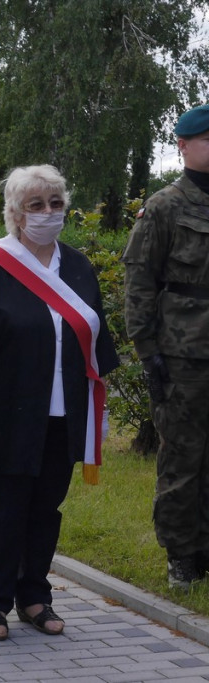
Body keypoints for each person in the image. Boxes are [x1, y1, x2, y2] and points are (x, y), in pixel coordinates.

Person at [0, 164, 118, 641]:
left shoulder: (79, 267)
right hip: (4, 415)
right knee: (2, 511)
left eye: (55, 203)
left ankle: (34, 597)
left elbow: (94, 347)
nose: (48, 213)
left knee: (46, 508)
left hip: (66, 416)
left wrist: (96, 415)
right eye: (36, 205)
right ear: (16, 214)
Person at [123, 104, 209, 590]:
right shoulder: (164, 207)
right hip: (183, 356)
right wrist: (147, 351)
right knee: (182, 457)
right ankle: (181, 554)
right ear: (183, 144)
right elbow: (139, 283)